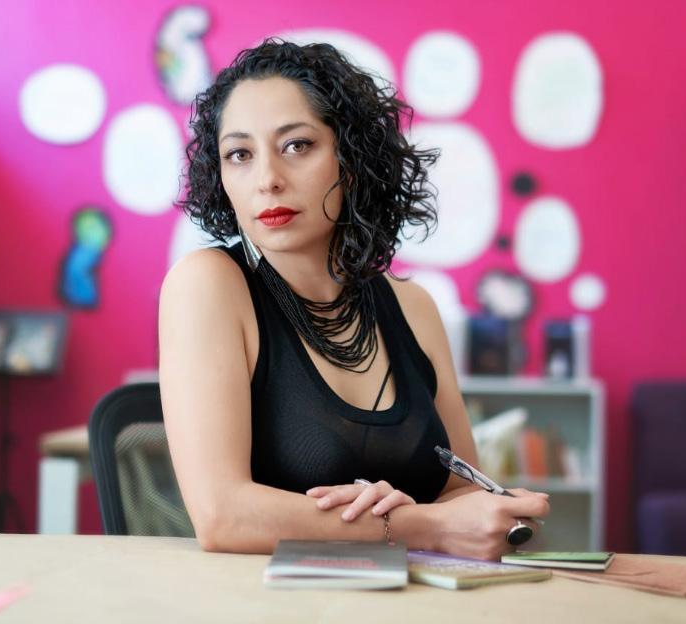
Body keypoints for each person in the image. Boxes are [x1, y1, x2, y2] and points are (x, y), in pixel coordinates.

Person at [158, 39, 549, 558]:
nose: (268, 180)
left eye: (296, 145)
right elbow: (222, 517)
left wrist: (486, 514)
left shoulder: (413, 306)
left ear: (351, 156)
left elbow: (457, 491)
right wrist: (416, 526)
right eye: (240, 154)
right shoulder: (207, 284)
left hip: (411, 594)